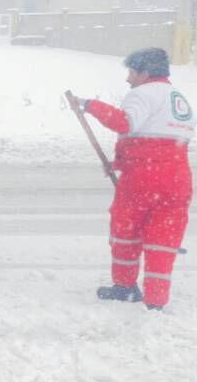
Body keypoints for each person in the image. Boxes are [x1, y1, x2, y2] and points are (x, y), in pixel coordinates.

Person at [71, 47, 194, 310]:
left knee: (126, 233)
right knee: (163, 242)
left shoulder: (142, 93)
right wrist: (119, 163)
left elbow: (124, 123)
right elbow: (156, 141)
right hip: (177, 180)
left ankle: (125, 287)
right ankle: (156, 301)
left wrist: (90, 105)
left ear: (145, 73)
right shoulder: (178, 98)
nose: (128, 78)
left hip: (143, 181)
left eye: (132, 72)